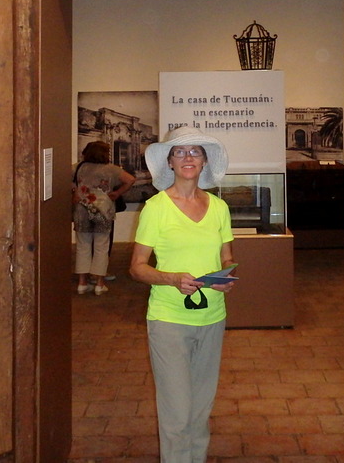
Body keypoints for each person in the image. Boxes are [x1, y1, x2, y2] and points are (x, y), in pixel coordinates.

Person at [130, 126, 235, 463]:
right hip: (169, 319)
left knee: (201, 408)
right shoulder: (156, 208)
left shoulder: (219, 207)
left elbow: (227, 257)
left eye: (195, 151)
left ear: (204, 161)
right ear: (170, 163)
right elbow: (137, 267)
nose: (188, 157)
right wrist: (171, 278)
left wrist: (226, 277)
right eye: (180, 152)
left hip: (212, 316)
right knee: (177, 411)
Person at [72, 141, 134, 295]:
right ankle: (99, 283)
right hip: (103, 211)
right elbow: (131, 180)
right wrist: (117, 193)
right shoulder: (111, 169)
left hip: (82, 210)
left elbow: (67, 181)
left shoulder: (78, 167)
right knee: (101, 247)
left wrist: (76, 191)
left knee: (82, 246)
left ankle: (82, 283)